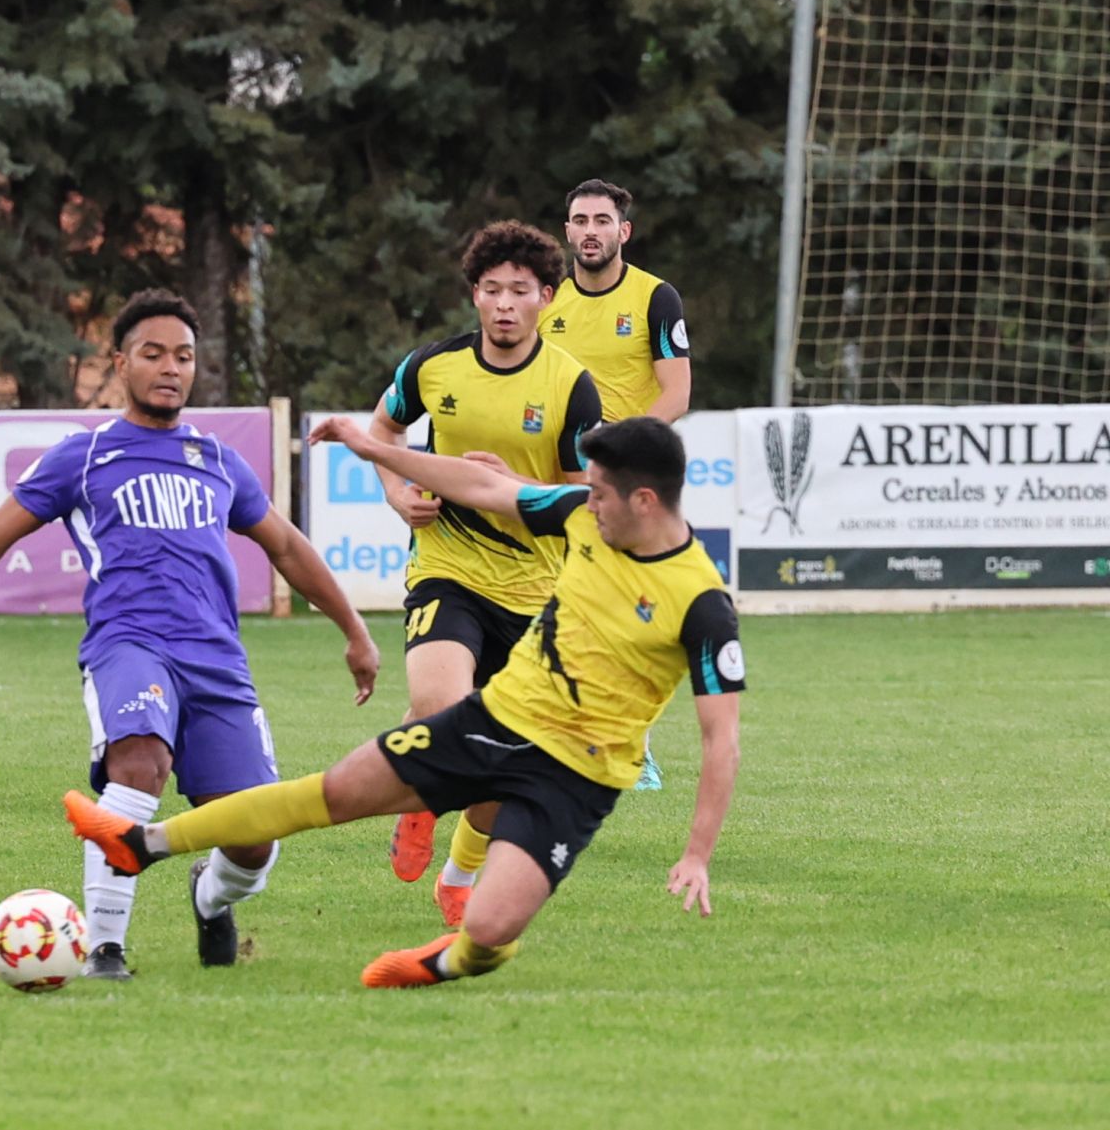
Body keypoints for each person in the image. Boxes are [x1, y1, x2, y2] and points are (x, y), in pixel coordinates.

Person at [67, 414, 744, 990]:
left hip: (574, 779)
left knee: (489, 928)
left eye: (598, 493)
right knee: (333, 789)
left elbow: (722, 737)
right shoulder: (582, 519)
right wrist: (376, 452)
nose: (586, 502)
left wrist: (696, 854)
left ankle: (447, 961)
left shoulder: (702, 601)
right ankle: (140, 843)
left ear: (646, 500)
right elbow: (486, 486)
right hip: (494, 721)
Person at [0, 289, 379, 981]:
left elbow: (288, 549)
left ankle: (210, 898)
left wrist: (354, 631)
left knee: (255, 840)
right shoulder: (83, 456)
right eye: (152, 354)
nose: (170, 368)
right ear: (121, 363)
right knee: (138, 764)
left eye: (183, 356)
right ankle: (104, 946)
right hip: (129, 644)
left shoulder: (218, 461)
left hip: (217, 661)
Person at [367, 221, 601, 923]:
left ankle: (462, 870)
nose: (504, 304)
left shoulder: (570, 384)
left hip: (534, 585)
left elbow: (581, 498)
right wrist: (397, 492)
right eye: (491, 290)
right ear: (474, 294)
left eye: (519, 291)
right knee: (442, 704)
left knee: (506, 749)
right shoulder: (433, 367)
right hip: (448, 566)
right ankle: (423, 803)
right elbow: (382, 432)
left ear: (545, 298)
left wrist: (515, 490)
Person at [541, 178, 694, 791]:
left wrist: (621, 452)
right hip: (556, 483)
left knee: (639, 618)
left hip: (631, 486)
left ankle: (636, 743)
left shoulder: (656, 297)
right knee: (555, 615)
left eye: (602, 221)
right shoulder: (545, 302)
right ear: (567, 231)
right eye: (579, 221)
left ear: (622, 231)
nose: (590, 232)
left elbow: (677, 392)